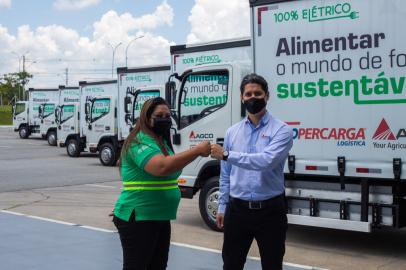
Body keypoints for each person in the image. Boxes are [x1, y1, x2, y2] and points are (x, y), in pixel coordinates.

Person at [113, 97, 211, 270]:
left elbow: (171, 168)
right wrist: (196, 151)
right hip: (139, 216)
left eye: (167, 115)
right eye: (159, 115)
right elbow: (161, 167)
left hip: (159, 216)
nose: (164, 119)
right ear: (146, 118)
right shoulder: (139, 141)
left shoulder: (162, 141)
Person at [210, 73, 293, 270]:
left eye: (258, 93)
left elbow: (265, 161)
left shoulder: (282, 130)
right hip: (237, 211)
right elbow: (225, 173)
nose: (253, 97)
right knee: (231, 264)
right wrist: (222, 206)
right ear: (242, 97)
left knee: (272, 265)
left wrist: (227, 154)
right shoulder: (233, 132)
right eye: (248, 94)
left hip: (270, 211)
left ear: (267, 96)